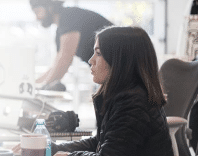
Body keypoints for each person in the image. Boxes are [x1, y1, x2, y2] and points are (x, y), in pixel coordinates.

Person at [13, 26, 174, 156]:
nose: (91, 61)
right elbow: (100, 142)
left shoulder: (133, 103)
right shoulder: (126, 96)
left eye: (98, 53)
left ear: (119, 61)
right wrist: (51, 148)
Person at [30, 0, 113, 90]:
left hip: (122, 66)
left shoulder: (69, 16)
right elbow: (56, 65)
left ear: (50, 7)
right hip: (111, 72)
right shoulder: (60, 31)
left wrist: (41, 87)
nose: (37, 18)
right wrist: (33, 85)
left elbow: (65, 60)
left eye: (37, 12)